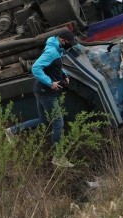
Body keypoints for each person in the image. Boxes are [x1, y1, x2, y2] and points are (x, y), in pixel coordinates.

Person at [5, 31, 79, 168]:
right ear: (63, 40)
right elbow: (36, 68)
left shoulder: (57, 48)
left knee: (44, 119)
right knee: (58, 123)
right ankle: (58, 156)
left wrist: (64, 74)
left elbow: (53, 66)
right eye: (69, 43)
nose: (70, 46)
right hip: (47, 93)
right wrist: (51, 83)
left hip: (40, 90)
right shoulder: (52, 51)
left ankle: (12, 131)